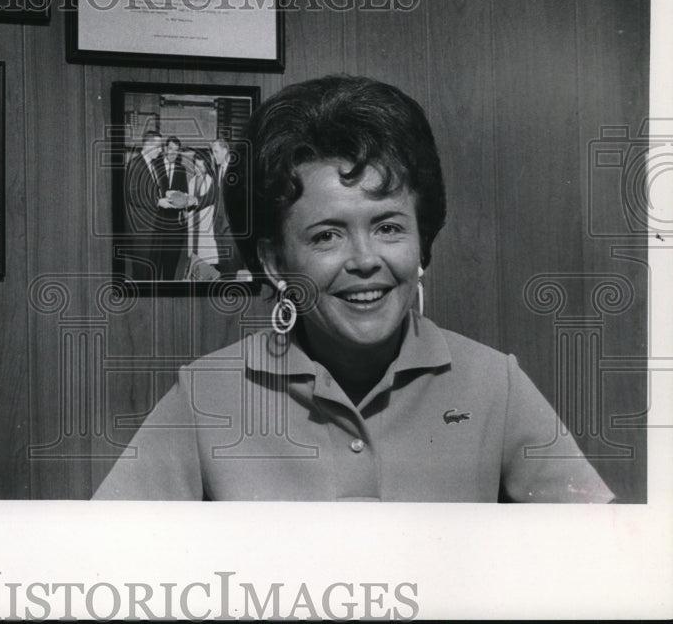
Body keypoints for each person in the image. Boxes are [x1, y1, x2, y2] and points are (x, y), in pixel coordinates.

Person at [94, 75, 614, 502]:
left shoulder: (495, 384)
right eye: (327, 235)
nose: (366, 260)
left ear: (421, 238)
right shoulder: (203, 395)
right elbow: (98, 568)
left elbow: (605, 562)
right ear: (275, 262)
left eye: (388, 226)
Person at [123, 129, 164, 280]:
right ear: (147, 145)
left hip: (152, 225)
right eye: (158, 146)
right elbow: (132, 194)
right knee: (141, 271)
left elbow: (149, 191)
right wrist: (158, 201)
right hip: (141, 228)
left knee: (149, 269)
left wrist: (164, 197)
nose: (161, 150)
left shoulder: (152, 165)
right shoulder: (135, 164)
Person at [155, 135, 190, 280]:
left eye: (176, 151)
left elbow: (184, 197)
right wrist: (164, 195)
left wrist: (178, 197)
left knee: (171, 263)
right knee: (155, 264)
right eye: (170, 149)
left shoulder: (181, 170)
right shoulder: (155, 165)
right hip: (156, 221)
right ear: (164, 149)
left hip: (175, 225)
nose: (172, 153)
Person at [209, 138, 244, 278]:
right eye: (213, 152)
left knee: (233, 267)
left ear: (225, 151)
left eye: (216, 152)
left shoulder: (237, 171)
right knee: (224, 268)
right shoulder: (219, 170)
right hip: (218, 227)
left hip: (230, 230)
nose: (214, 155)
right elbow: (214, 196)